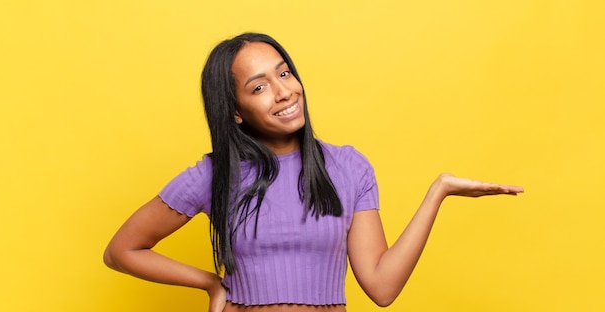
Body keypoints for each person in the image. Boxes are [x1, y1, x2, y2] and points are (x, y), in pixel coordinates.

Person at [103, 33, 524, 312]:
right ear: (234, 111)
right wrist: (211, 284)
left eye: (284, 73)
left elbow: (381, 288)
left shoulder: (348, 167)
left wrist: (439, 191)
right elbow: (122, 250)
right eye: (259, 86)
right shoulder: (216, 175)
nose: (285, 90)